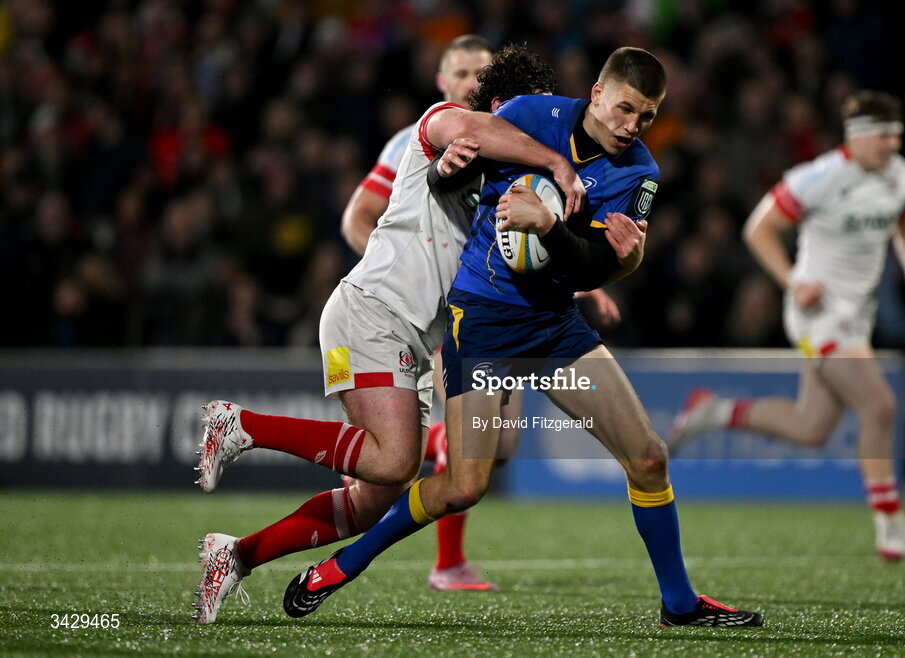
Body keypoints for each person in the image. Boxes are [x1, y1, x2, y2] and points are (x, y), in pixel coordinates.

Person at [281, 47, 764, 629]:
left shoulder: (640, 174)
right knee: (463, 486)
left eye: (647, 117)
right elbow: (446, 179)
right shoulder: (534, 116)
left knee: (649, 458)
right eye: (626, 109)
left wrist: (554, 230)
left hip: (554, 325)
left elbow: (589, 267)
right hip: (481, 321)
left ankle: (679, 605)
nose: (632, 126)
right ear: (597, 94)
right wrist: (447, 166)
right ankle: (342, 566)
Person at [192, 44, 583, 624]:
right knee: (398, 462)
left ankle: (237, 555)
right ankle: (241, 425)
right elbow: (449, 155)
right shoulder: (439, 127)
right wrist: (543, 163)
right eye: (528, 111)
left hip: (416, 337)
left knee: (370, 501)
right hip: (372, 310)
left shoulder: (515, 187)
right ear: (500, 105)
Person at [342, 35, 621, 592]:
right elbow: (358, 216)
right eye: (461, 72)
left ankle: (404, 486)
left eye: (480, 71)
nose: (471, 81)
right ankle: (445, 560)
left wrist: (580, 281)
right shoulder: (417, 139)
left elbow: (525, 234)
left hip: (490, 305)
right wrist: (399, 270)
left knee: (502, 446)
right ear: (443, 83)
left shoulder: (509, 138)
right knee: (450, 449)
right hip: (436, 312)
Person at [668, 90, 905, 561]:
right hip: (818, 314)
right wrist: (793, 279)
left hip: (858, 316)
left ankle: (714, 412)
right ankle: (890, 527)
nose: (891, 146)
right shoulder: (820, 177)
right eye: (882, 137)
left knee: (811, 427)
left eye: (896, 136)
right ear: (856, 138)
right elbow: (758, 228)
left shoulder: (901, 176)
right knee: (878, 405)